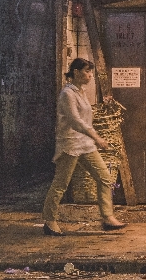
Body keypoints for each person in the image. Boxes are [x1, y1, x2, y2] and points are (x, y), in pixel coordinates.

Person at [42, 58, 126, 236]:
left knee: (105, 178)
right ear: (76, 72)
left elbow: (86, 118)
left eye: (90, 72)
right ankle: (49, 221)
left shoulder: (81, 92)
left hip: (85, 144)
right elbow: (75, 121)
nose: (89, 75)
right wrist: (97, 137)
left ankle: (107, 217)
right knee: (61, 184)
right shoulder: (67, 94)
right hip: (70, 144)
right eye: (87, 71)